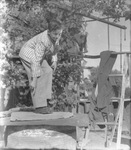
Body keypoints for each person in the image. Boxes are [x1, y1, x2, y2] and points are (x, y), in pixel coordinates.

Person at [19, 20, 63, 114]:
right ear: (49, 31)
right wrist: (33, 80)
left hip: (37, 55)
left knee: (48, 71)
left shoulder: (57, 36)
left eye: (59, 34)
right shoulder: (43, 40)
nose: (57, 36)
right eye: (55, 34)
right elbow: (35, 61)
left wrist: (54, 60)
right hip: (27, 53)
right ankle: (39, 106)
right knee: (37, 76)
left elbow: (55, 48)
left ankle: (45, 100)